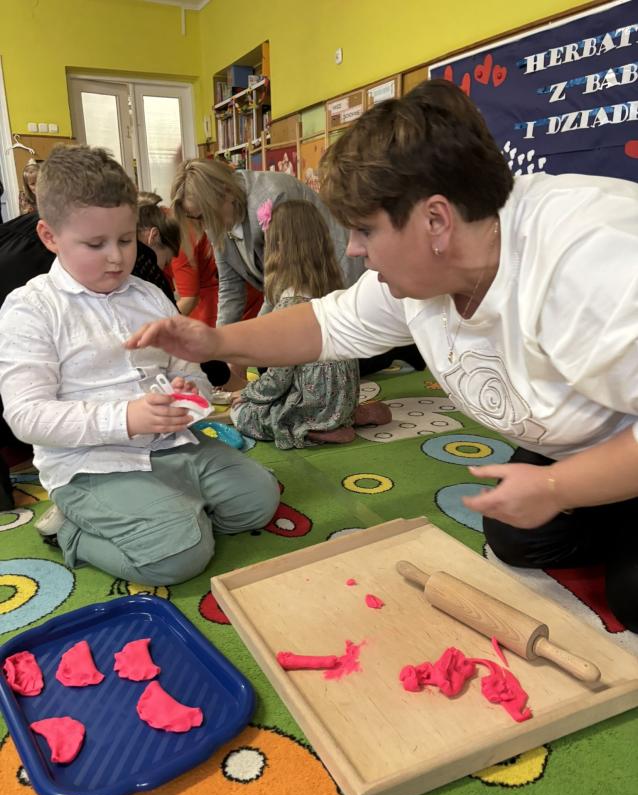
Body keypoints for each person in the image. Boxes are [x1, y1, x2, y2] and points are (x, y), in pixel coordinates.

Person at [125, 79, 638, 630]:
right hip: (591, 438)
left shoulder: (595, 262)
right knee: (517, 534)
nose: (352, 249)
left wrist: (560, 487)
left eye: (365, 230)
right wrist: (218, 342)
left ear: (436, 221)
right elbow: (323, 324)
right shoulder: (430, 265)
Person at [0, 145, 279, 586]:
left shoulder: (148, 295)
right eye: (95, 244)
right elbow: (26, 415)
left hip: (172, 447)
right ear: (50, 237)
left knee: (258, 500)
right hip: (91, 465)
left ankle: (168, 512)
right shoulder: (31, 308)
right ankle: (72, 530)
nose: (116, 257)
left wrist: (188, 397)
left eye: (126, 240)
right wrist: (126, 418)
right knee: (179, 557)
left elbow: (189, 372)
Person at [170, 158, 365, 327]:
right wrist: (220, 342)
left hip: (338, 280)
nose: (205, 226)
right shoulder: (217, 216)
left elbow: (281, 284)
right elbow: (230, 287)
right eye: (196, 218)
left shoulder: (273, 197)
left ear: (225, 192)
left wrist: (255, 336)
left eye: (204, 216)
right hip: (299, 295)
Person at [230, 199, 361, 448]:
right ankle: (347, 418)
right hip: (344, 401)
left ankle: (313, 429)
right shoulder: (334, 296)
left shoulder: (290, 307)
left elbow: (278, 380)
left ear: (278, 249)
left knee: (242, 414)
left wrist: (247, 393)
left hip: (315, 407)